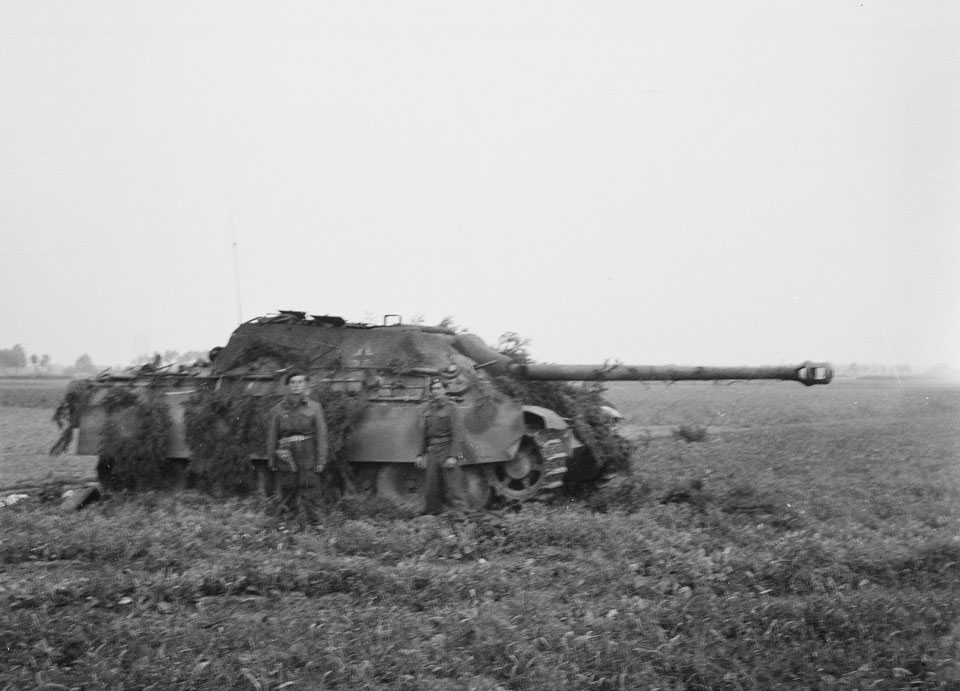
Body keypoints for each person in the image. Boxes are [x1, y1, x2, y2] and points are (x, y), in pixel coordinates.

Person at [266, 370, 329, 527]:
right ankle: (285, 524)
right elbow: (272, 435)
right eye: (293, 382)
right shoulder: (278, 409)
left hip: (308, 453)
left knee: (311, 490)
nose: (296, 385)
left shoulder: (314, 407)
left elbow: (321, 435)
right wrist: (272, 457)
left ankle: (317, 525)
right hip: (286, 454)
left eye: (299, 382)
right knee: (288, 490)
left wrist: (321, 459)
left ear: (305, 385)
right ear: (288, 386)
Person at [415, 378, 469, 515]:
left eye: (439, 388)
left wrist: (453, 456)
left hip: (447, 448)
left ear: (445, 390)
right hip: (432, 450)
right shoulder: (428, 408)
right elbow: (425, 434)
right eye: (433, 389)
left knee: (454, 485)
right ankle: (433, 514)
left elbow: (458, 433)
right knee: (431, 486)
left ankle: (462, 513)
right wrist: (420, 454)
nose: (436, 391)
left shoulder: (452, 407)